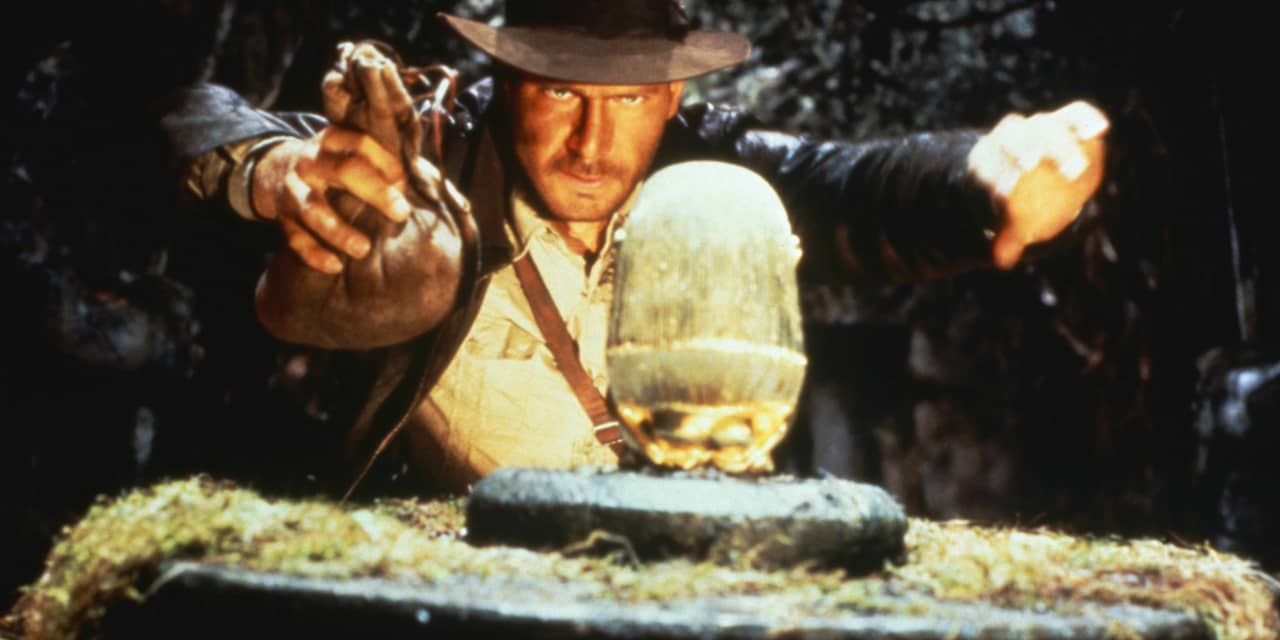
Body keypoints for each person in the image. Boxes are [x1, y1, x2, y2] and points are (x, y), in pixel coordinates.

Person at [164, 0, 1108, 496]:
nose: (592, 144)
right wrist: (270, 172)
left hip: (647, 586)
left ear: (670, 97)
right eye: (560, 93)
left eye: (626, 101)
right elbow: (175, 119)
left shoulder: (709, 174)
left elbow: (851, 189)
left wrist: (984, 179)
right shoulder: (424, 161)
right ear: (506, 77)